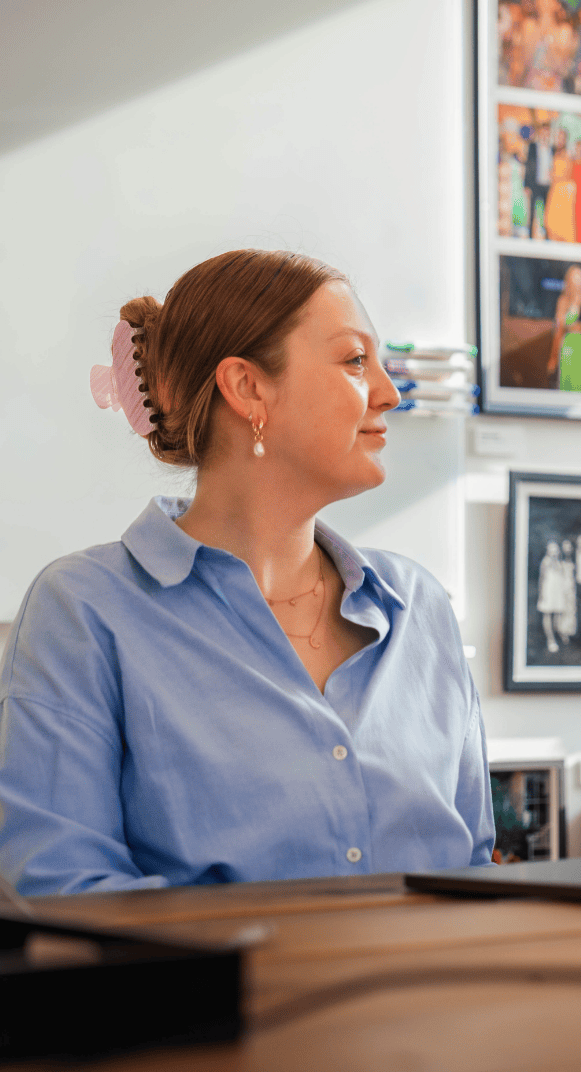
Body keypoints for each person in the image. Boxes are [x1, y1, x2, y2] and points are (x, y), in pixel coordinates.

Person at [0, 249, 495, 894]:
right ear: (248, 388)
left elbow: (475, 868)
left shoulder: (420, 605)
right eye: (354, 360)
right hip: (218, 997)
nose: (389, 392)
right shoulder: (84, 610)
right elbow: (60, 886)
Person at [548, 264, 581, 392]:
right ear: (569, 281)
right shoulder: (564, 301)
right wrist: (553, 358)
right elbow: (559, 329)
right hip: (569, 347)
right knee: (569, 385)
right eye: (575, 278)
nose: (579, 282)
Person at [537, 540, 568, 653]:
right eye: (551, 550)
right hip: (548, 591)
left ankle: (558, 633)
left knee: (557, 614)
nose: (554, 553)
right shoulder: (545, 562)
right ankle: (550, 640)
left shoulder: (560, 563)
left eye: (555, 550)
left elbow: (562, 578)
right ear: (548, 551)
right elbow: (541, 579)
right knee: (547, 614)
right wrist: (541, 594)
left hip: (557, 592)